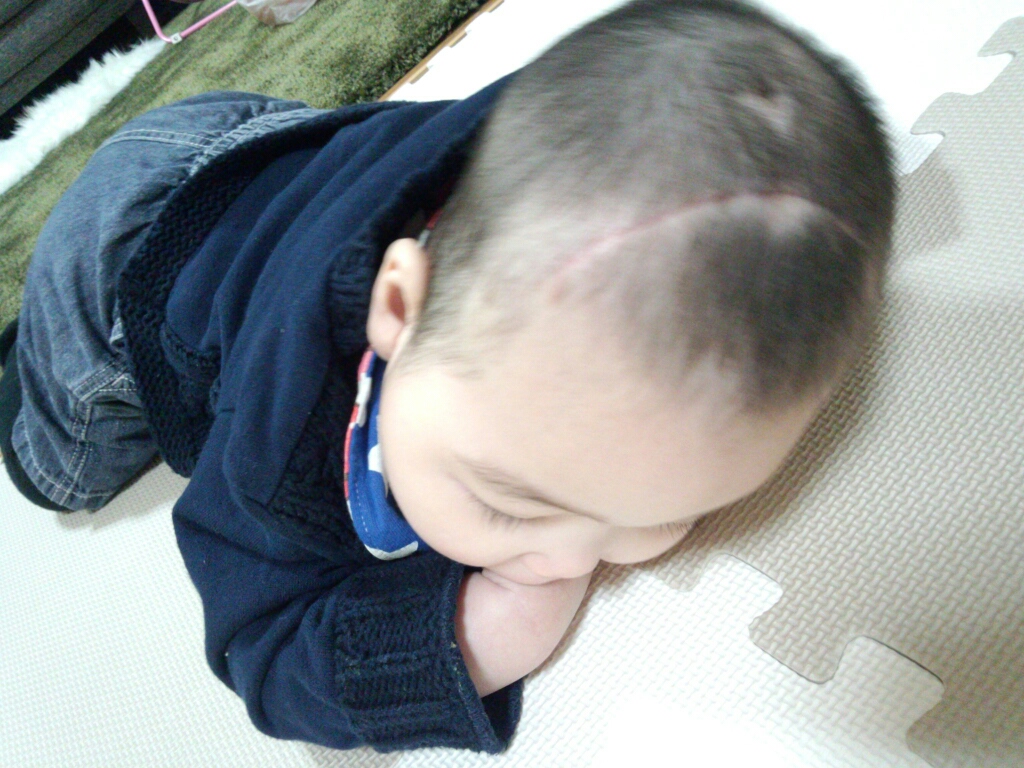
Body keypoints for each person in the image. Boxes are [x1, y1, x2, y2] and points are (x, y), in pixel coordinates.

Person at [0, 0, 894, 754]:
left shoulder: (567, 155)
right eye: (510, 505)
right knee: (61, 473)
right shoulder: (283, 444)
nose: (566, 562)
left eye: (653, 517)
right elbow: (260, 651)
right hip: (116, 269)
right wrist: (466, 640)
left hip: (277, 150)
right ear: (398, 308)